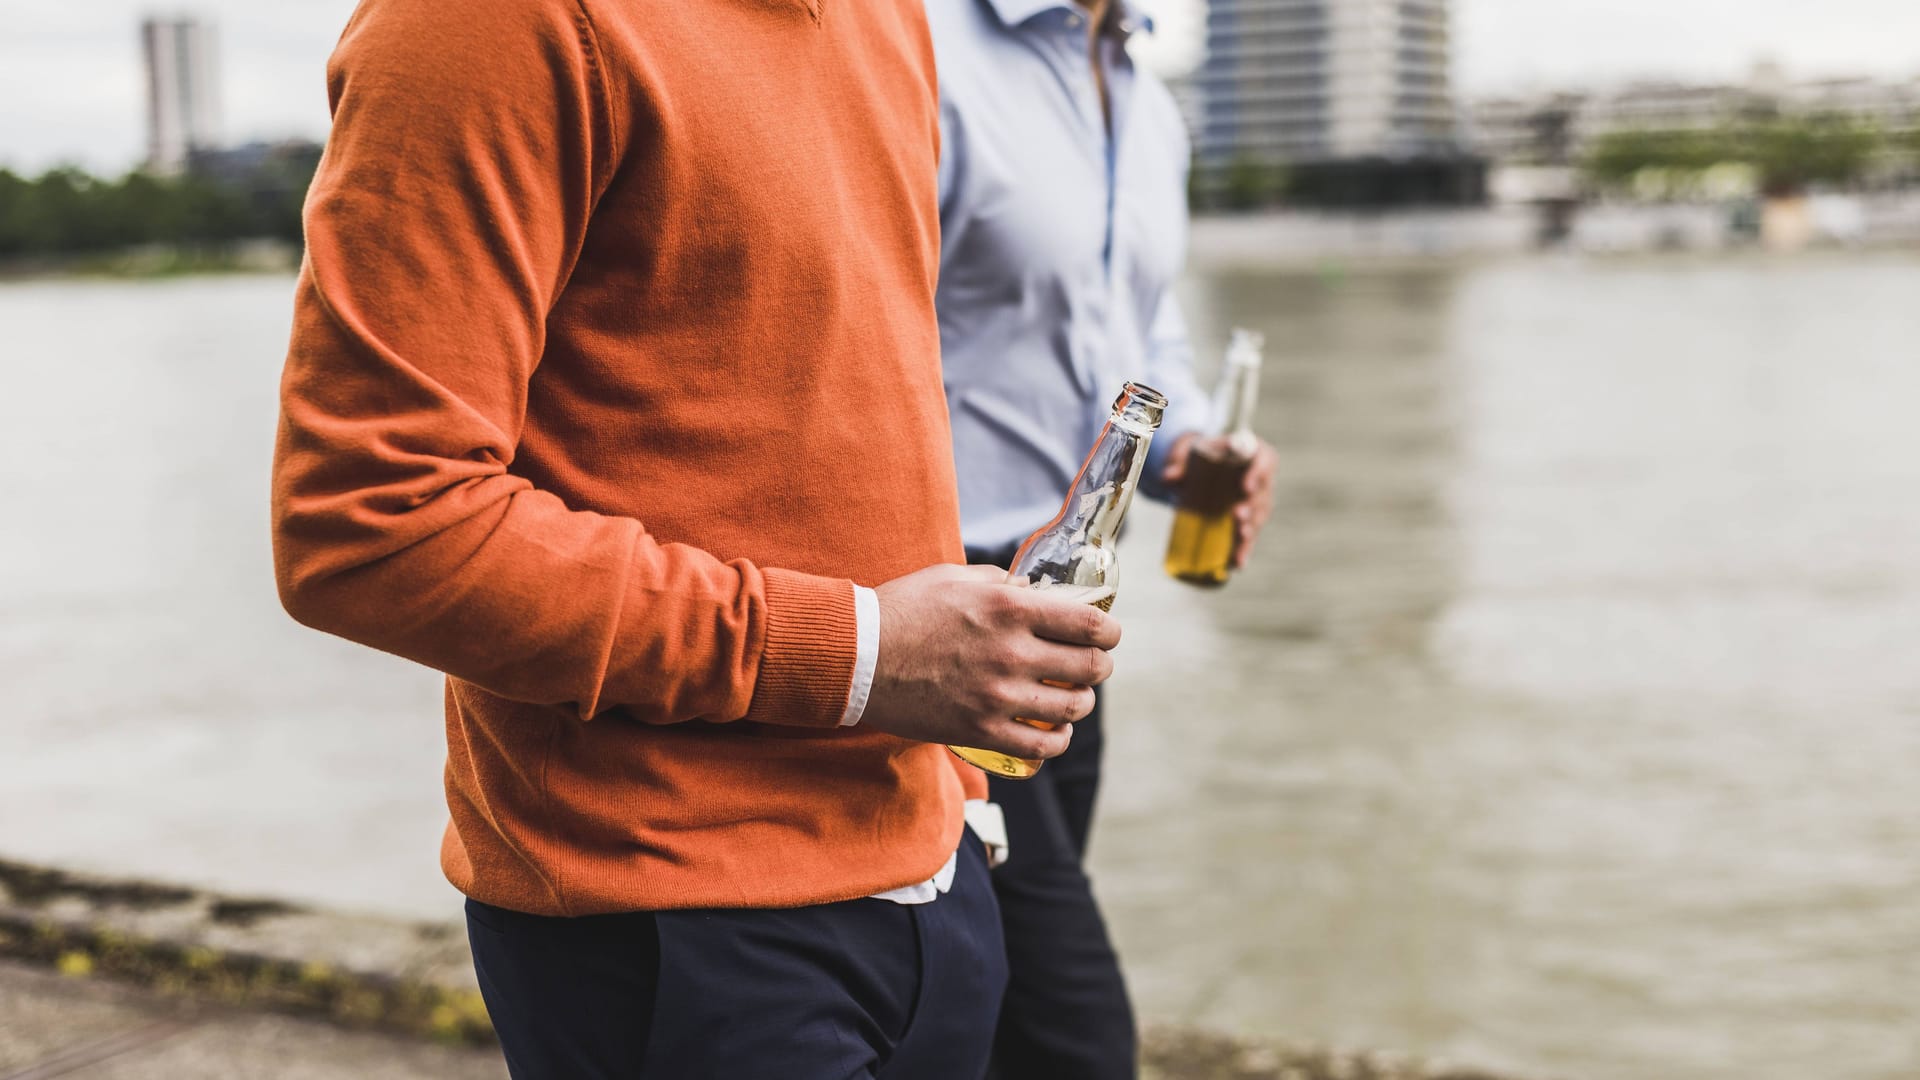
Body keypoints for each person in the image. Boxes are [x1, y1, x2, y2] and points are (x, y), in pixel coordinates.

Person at [270, 1, 1126, 1076]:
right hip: (677, 923)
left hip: (936, 884)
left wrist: (954, 812)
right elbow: (368, 526)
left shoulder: (889, 13)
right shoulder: (485, 21)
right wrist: (862, 653)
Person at [925, 0, 1279, 1076]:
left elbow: (1139, 335)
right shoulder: (921, 43)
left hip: (1074, 611)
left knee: (983, 989)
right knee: (1069, 1025)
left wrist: (1188, 455)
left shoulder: (1147, 95)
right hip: (938, 605)